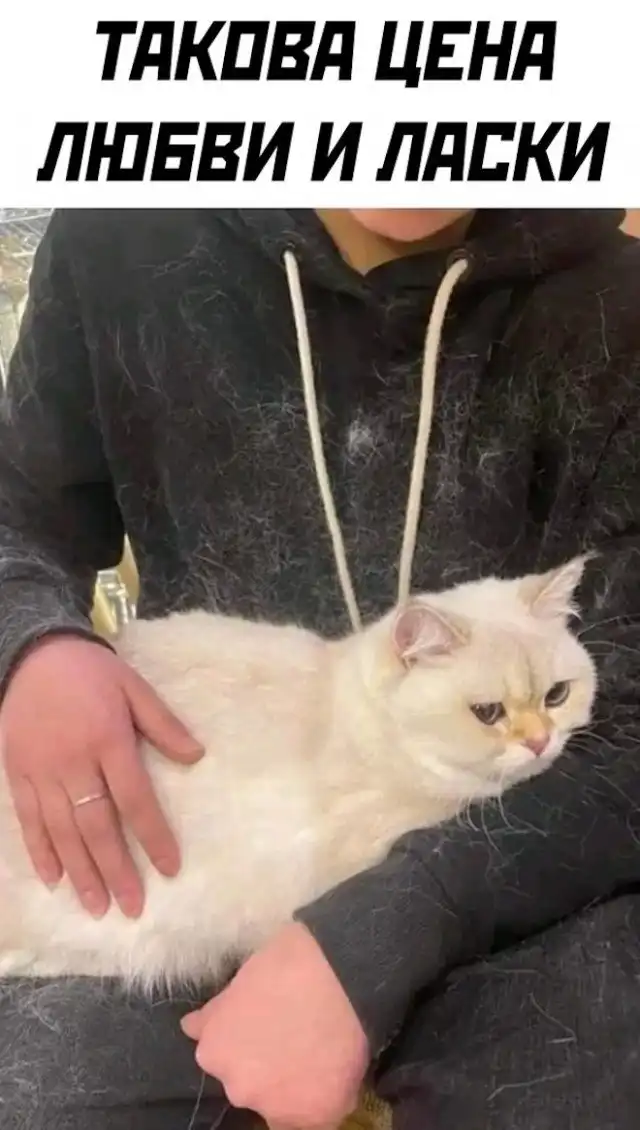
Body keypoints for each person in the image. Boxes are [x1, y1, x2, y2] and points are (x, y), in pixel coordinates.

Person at [0, 207, 639, 1130]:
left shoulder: (616, 307)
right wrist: (33, 642)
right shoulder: (119, 238)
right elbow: (18, 512)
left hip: (526, 863)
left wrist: (388, 922)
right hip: (176, 838)